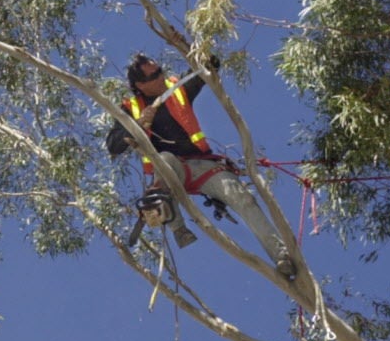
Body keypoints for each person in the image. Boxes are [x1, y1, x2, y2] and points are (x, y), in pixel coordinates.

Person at [106, 52, 297, 280]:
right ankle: (176, 226)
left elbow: (203, 71)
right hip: (171, 171)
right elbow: (113, 145)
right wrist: (137, 126)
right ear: (140, 85)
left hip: (205, 166)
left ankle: (281, 256)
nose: (161, 76)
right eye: (154, 75)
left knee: (243, 198)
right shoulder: (131, 108)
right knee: (164, 159)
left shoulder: (176, 89)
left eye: (160, 70)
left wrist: (206, 57)